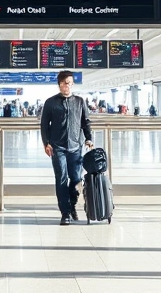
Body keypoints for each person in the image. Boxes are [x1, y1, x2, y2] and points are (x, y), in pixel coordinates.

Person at [40, 70, 94, 226]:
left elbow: (86, 122)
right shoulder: (50, 102)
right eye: (64, 83)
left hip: (75, 147)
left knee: (76, 178)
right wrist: (46, 143)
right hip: (57, 147)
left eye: (69, 82)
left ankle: (71, 204)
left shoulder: (79, 101)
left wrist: (89, 138)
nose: (67, 85)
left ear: (72, 84)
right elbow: (44, 125)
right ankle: (65, 213)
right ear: (59, 84)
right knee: (61, 179)